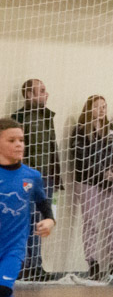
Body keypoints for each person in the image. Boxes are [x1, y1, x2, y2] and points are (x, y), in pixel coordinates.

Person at [0, 118, 56, 297]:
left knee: (3, 289)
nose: (19, 144)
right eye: (11, 140)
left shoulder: (31, 176)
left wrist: (50, 220)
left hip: (13, 246)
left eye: (21, 140)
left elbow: (44, 204)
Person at [72, 95, 113, 281]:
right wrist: (103, 172)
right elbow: (81, 157)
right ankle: (92, 263)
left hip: (110, 183)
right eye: (97, 107)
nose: (102, 110)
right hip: (88, 181)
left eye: (104, 106)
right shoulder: (80, 131)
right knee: (91, 222)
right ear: (89, 109)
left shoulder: (112, 129)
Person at [12, 79, 61, 281]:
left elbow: (52, 148)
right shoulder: (18, 119)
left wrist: (56, 177)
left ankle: (36, 266)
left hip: (45, 178)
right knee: (25, 221)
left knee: (41, 222)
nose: (46, 94)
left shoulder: (47, 117)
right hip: (26, 179)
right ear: (29, 95)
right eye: (41, 91)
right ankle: (23, 265)